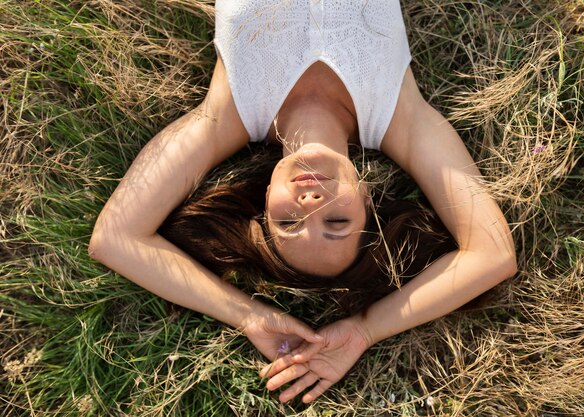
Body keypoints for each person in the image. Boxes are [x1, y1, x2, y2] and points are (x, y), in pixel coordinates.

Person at [89, 0, 517, 404]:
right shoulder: (402, 120)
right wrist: (366, 330)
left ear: (265, 198)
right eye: (336, 222)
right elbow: (492, 253)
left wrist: (249, 316)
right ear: (366, 198)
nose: (311, 201)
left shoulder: (227, 116)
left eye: (290, 222)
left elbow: (116, 237)